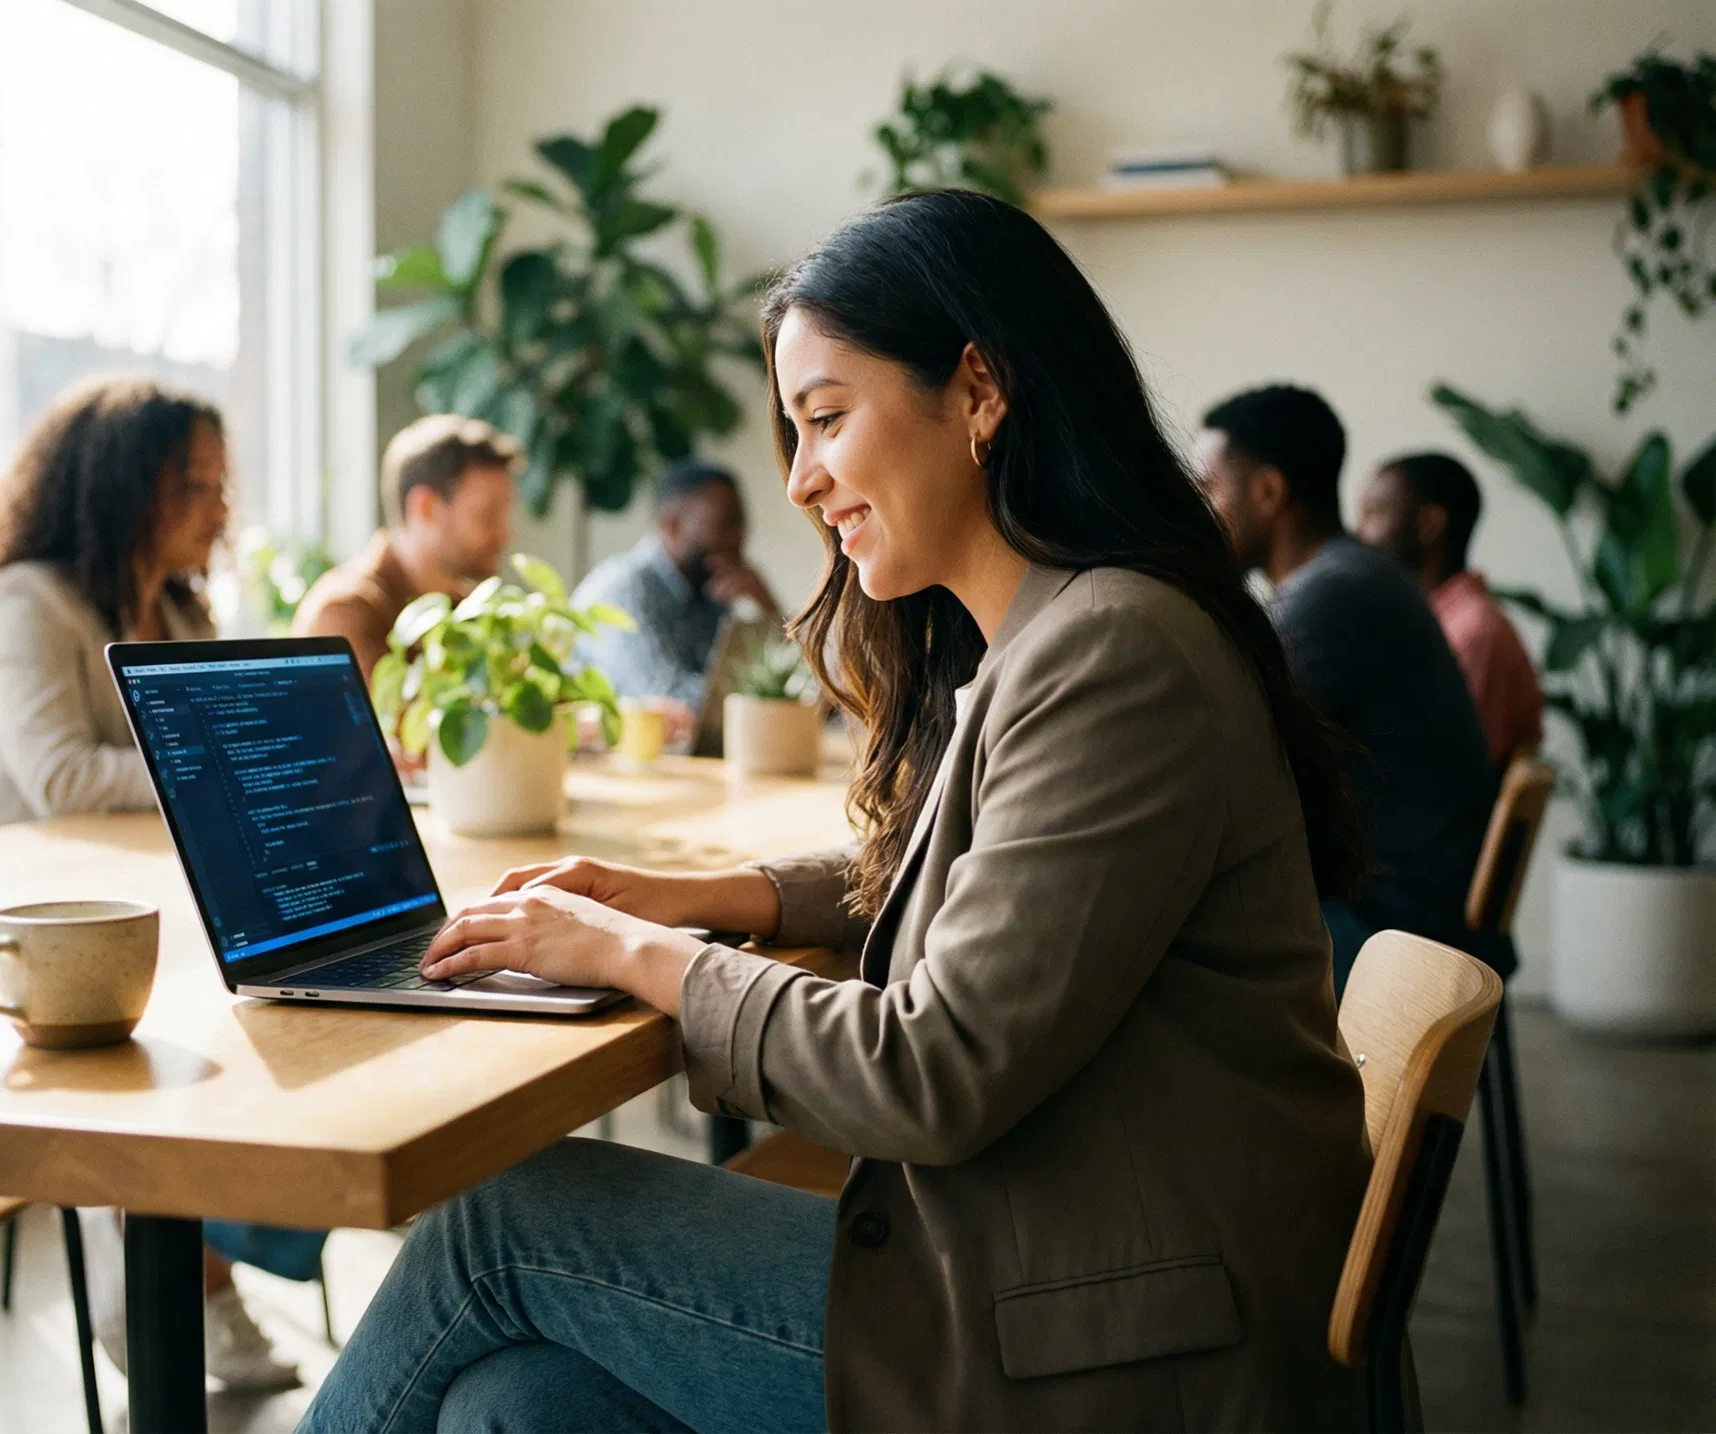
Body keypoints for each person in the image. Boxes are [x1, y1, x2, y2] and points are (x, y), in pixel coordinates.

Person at [299, 192, 1374, 1433]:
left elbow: (932, 1069)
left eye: (825, 419)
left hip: (1113, 1348)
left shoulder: (1113, 653)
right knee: (518, 1404)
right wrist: (702, 897)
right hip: (1082, 1267)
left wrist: (632, 954)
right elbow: (973, 876)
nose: (802, 481)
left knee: (498, 1225)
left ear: (978, 392)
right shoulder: (1070, 628)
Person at [0, 375, 320, 1392]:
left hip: (129, 905)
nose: (219, 508)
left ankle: (219, 1250)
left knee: (275, 999)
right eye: (193, 484)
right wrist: (214, 762)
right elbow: (61, 777)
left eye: (221, 483)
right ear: (120, 487)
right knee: (189, 1027)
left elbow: (206, 758)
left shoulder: (182, 611)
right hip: (2, 929)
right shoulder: (25, 602)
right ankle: (183, 1283)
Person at [1197, 385, 1496, 986]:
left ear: (1269, 491)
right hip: (1413, 908)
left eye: (1209, 488)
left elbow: (1220, 761)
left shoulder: (1331, 597)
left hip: (1395, 931)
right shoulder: (1362, 575)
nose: (1198, 509)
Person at [294, 414, 519, 679]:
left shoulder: (468, 610)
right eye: (487, 515)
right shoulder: (345, 613)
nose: (505, 535)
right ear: (426, 507)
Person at [1356, 451, 1544, 766]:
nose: (1358, 533)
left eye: (1373, 514)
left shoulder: (1471, 634)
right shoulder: (1430, 623)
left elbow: (1439, 766)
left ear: (1429, 524)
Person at [569, 459, 781, 714]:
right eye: (725, 524)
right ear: (672, 525)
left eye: (740, 524)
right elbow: (669, 703)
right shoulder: (623, 590)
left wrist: (767, 606)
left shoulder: (708, 588)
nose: (737, 538)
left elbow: (795, 682)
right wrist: (752, 696)